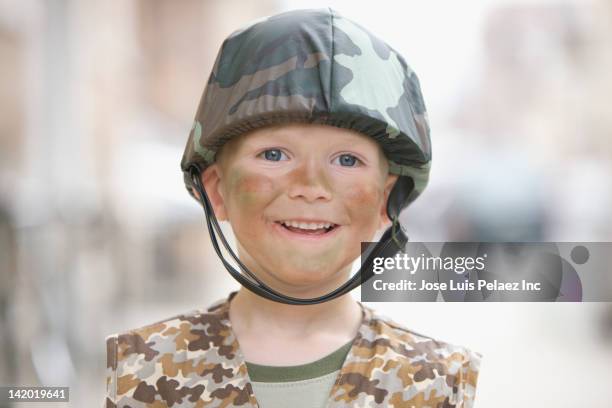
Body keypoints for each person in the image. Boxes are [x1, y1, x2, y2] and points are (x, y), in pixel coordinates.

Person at [104, 7, 482, 408]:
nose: (310, 187)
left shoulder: (434, 380)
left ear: (387, 201)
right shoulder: (147, 369)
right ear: (216, 190)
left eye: (347, 161)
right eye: (274, 154)